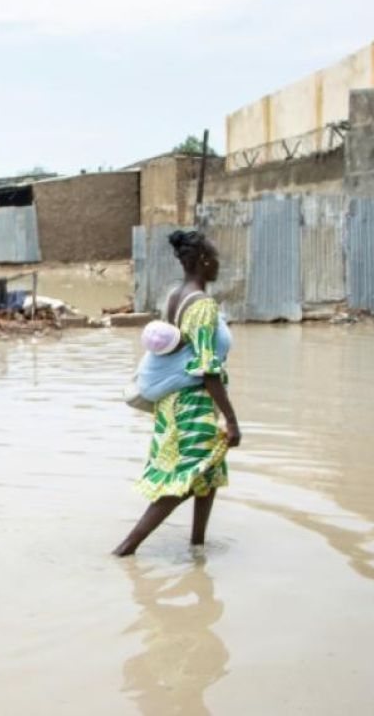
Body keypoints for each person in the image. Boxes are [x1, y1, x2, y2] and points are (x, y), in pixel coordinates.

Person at [113, 230, 241, 557]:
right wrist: (231, 419)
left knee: (208, 475)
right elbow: (206, 367)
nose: (218, 268)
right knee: (183, 480)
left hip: (174, 401)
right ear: (203, 261)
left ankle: (198, 547)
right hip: (192, 405)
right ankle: (125, 550)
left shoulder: (175, 295)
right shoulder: (202, 306)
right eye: (215, 262)